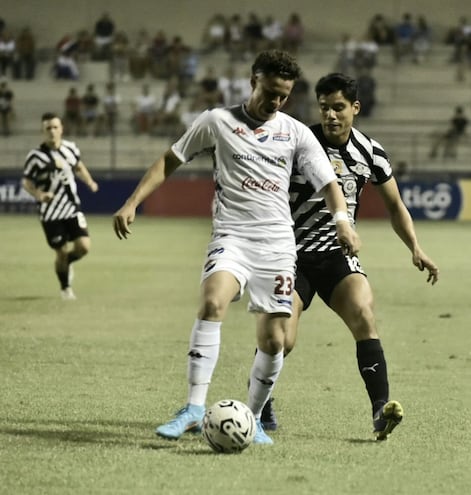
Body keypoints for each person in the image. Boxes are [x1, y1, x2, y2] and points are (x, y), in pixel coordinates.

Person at [113, 51, 360, 445]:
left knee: (275, 339)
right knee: (212, 302)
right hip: (232, 236)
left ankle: (255, 418)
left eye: (283, 96)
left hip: (278, 244)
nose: (275, 103)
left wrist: (342, 222)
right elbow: (169, 160)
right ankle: (194, 408)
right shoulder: (217, 121)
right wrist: (131, 202)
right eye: (270, 92)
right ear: (253, 81)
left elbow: (330, 184)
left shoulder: (295, 132)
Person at [260, 72, 439, 440]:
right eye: (324, 107)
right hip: (291, 256)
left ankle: (380, 410)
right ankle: (260, 400)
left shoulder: (371, 153)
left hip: (337, 256)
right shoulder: (298, 144)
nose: (330, 115)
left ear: (355, 108)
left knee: (363, 313)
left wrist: (415, 248)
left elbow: (395, 206)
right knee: (283, 339)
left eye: (338, 107)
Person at [22, 112, 99, 300]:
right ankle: (65, 288)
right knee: (61, 251)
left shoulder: (70, 148)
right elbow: (26, 182)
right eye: (48, 128)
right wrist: (40, 194)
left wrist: (89, 181)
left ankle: (67, 263)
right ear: (42, 131)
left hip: (72, 207)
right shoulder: (35, 157)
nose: (52, 131)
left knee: (84, 247)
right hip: (50, 213)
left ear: (62, 128)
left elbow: (79, 166)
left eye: (55, 127)